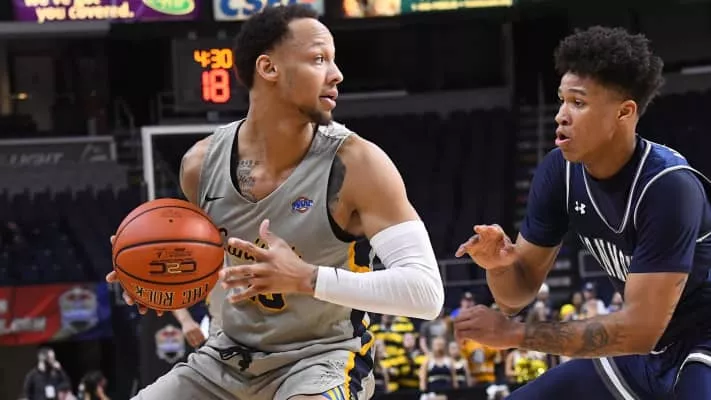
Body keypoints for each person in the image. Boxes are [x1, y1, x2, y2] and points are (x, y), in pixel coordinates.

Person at [106, 4, 444, 400]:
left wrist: (307, 278)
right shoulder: (200, 165)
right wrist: (155, 273)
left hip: (322, 359)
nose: (337, 74)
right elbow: (207, 263)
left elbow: (426, 293)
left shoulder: (358, 164)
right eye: (319, 59)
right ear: (268, 68)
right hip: (226, 359)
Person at [453, 26, 711, 399]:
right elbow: (514, 298)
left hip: (700, 343)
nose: (561, 115)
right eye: (562, 100)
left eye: (578, 102)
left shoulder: (668, 187)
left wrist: (516, 334)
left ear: (624, 112)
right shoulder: (559, 171)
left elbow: (640, 329)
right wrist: (499, 265)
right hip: (643, 355)